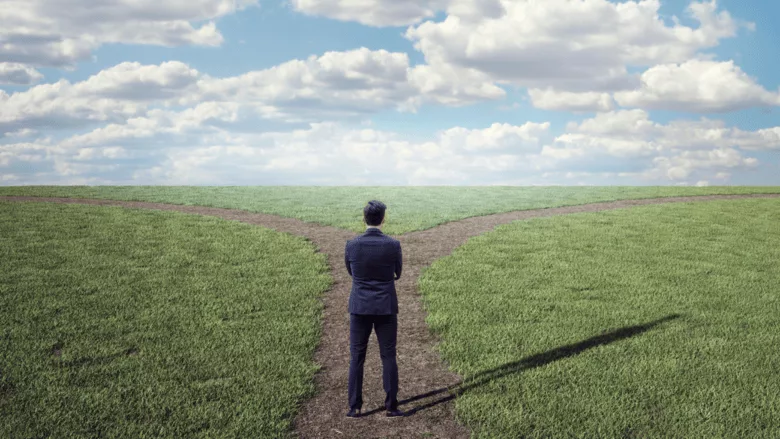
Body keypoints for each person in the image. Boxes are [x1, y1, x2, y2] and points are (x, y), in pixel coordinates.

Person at [344, 200, 404, 419]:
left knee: (356, 357)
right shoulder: (393, 244)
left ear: (364, 218)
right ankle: (391, 406)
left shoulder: (352, 244)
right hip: (386, 307)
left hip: (359, 307)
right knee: (388, 356)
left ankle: (354, 407)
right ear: (383, 219)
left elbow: (351, 271)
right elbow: (398, 272)